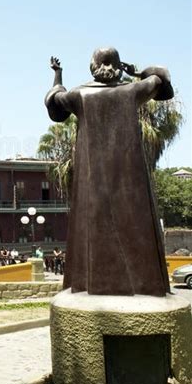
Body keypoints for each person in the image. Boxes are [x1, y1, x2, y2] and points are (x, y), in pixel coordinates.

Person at [45, 48, 172, 297]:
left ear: (92, 67)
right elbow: (163, 78)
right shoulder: (133, 91)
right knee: (136, 222)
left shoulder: (79, 94)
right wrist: (137, 71)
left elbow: (54, 102)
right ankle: (145, 286)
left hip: (91, 181)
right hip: (131, 182)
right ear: (117, 65)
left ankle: (92, 284)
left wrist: (58, 76)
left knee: (91, 223)